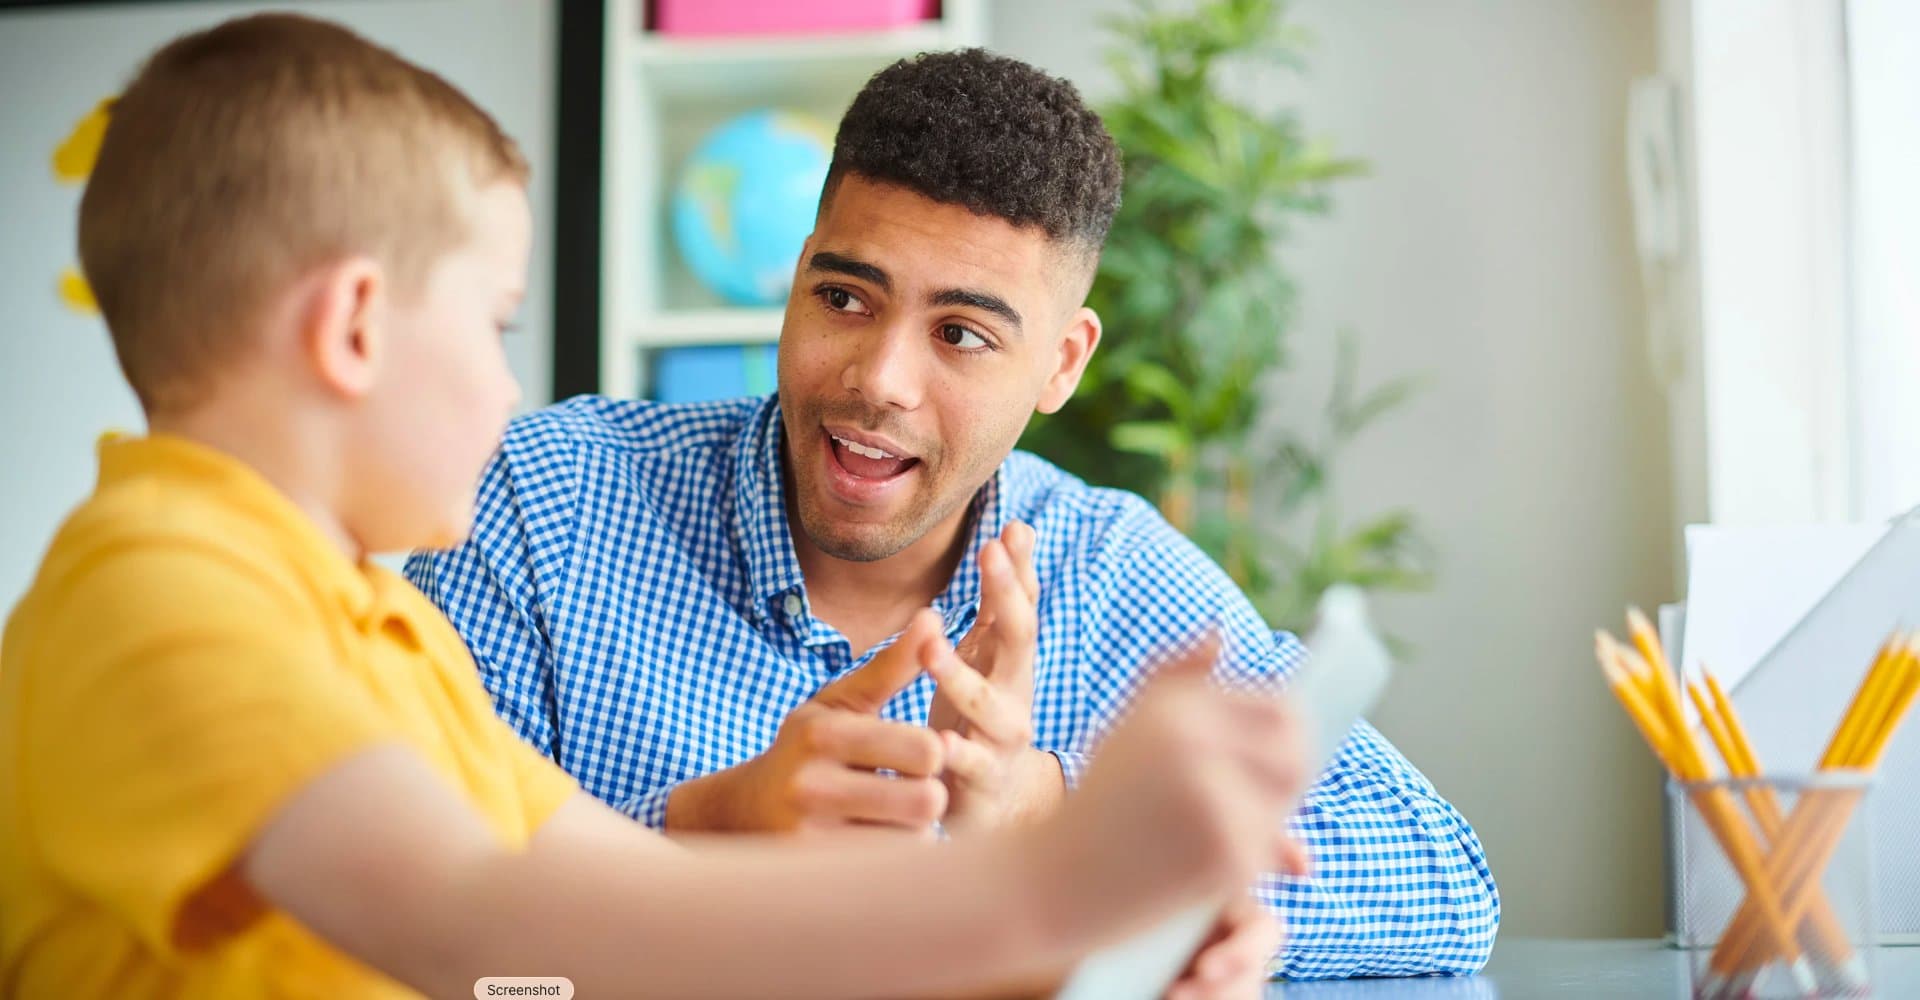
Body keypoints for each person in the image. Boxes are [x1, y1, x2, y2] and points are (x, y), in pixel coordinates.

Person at [0, 15, 1310, 998]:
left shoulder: (353, 622)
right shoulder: (165, 602)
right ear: (354, 326)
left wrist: (1071, 945)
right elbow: (488, 933)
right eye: (495, 322)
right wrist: (1048, 888)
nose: (510, 386)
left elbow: (616, 919)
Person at [409, 47, 1501, 980]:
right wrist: (703, 827)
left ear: (1061, 363)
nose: (879, 380)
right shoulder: (544, 501)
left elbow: (1445, 878)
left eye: (962, 335)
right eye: (845, 297)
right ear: (795, 279)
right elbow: (413, 934)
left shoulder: (1110, 569)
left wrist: (1054, 824)